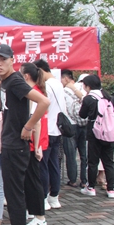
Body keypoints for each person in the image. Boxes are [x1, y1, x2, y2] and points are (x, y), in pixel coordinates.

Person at [0, 45, 49, 225]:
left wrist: (28, 126)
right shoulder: (6, 82)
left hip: (16, 145)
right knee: (15, 192)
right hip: (11, 143)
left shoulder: (14, 80)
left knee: (14, 193)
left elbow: (44, 102)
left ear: (12, 60)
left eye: (3, 60)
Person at [79, 75, 114, 198]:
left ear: (88, 86)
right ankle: (111, 189)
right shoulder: (109, 97)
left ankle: (91, 188)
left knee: (93, 161)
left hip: (94, 133)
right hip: (110, 133)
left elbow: (82, 115)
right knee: (109, 162)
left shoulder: (88, 98)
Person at [19, 63, 49, 225]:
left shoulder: (33, 94)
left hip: (33, 144)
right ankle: (33, 213)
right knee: (30, 180)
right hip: (35, 143)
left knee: (33, 180)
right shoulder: (37, 91)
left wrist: (37, 147)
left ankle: (40, 217)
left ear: (26, 76)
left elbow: (36, 123)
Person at [34, 59, 67, 210]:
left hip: (46, 130)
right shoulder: (59, 84)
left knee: (43, 166)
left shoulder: (46, 86)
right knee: (54, 165)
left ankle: (44, 198)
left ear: (40, 70)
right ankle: (54, 197)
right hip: (57, 130)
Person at [61, 69, 88, 187]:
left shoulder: (64, 91)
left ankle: (72, 180)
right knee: (84, 154)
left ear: (66, 78)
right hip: (83, 123)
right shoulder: (83, 89)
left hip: (70, 125)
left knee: (71, 154)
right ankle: (84, 180)